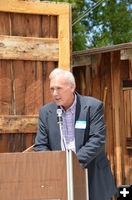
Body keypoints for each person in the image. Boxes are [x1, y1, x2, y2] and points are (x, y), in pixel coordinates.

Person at [34, 68, 116, 200]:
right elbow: (40, 145)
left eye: (59, 88)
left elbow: (97, 140)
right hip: (60, 178)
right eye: (52, 89)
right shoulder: (46, 112)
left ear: (72, 87)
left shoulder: (92, 107)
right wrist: (56, 166)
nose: (55, 93)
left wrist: (72, 164)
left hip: (93, 176)